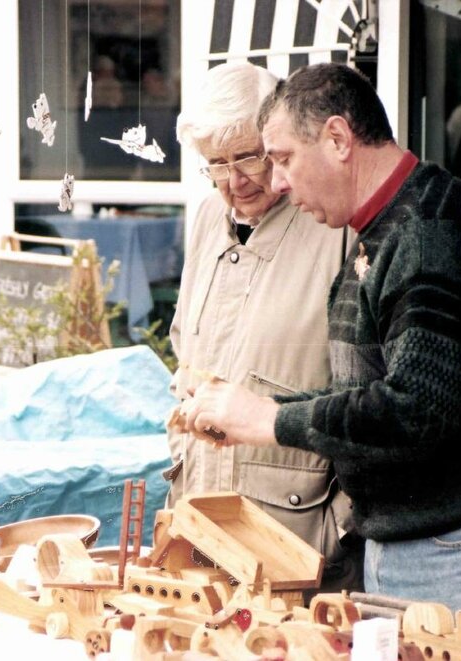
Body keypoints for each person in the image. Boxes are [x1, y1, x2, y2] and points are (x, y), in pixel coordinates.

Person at [178, 62, 461, 629]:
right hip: (419, 544)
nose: (277, 181)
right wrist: (253, 413)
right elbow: (367, 394)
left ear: (337, 139)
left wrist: (269, 419)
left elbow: (418, 407)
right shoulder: (386, 229)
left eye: (281, 158)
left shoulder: (431, 231)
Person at [168, 61, 362, 592]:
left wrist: (337, 531)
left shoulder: (333, 223)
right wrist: (187, 381)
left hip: (297, 543)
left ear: (277, 137)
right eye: (215, 164)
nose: (235, 181)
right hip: (200, 533)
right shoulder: (209, 219)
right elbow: (187, 342)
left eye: (248, 156)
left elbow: (369, 393)